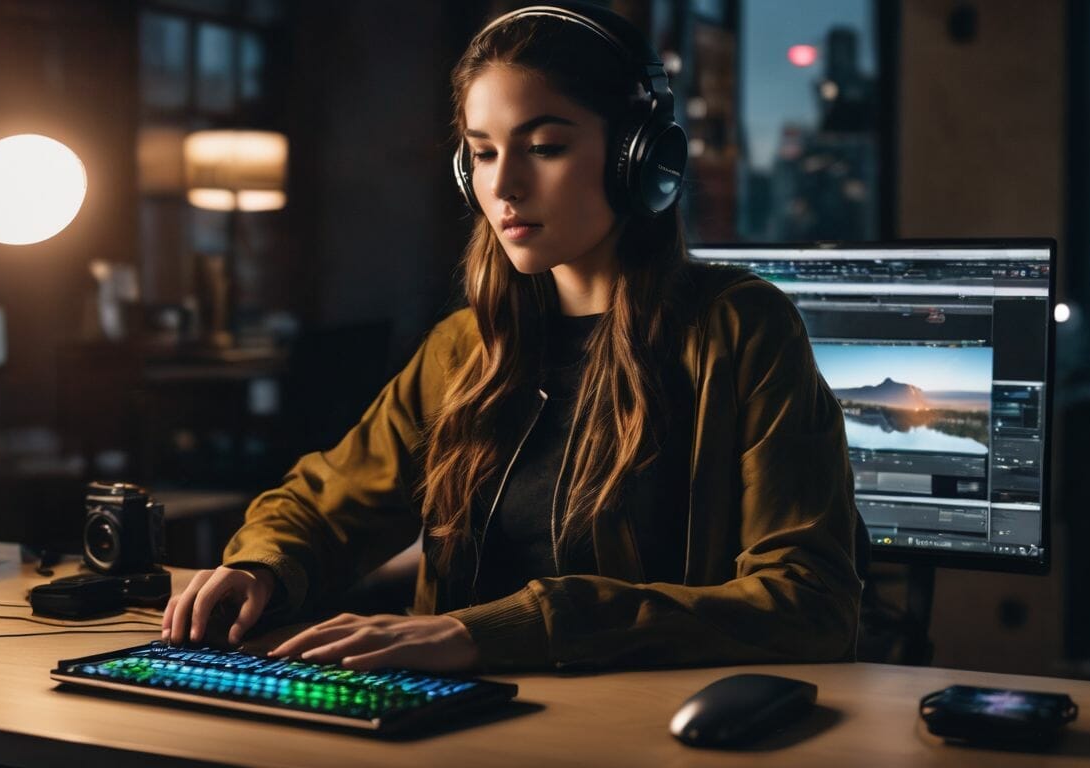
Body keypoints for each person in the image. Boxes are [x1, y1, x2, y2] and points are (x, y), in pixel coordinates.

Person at [162, 2, 863, 673]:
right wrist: (262, 566)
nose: (507, 186)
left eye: (546, 147)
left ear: (640, 160)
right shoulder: (466, 347)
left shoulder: (739, 331)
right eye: (484, 154)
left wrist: (496, 631)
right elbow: (323, 502)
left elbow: (808, 600)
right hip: (452, 724)